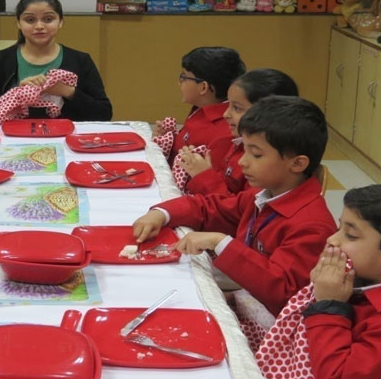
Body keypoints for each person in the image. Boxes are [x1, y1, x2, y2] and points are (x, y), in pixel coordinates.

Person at [133, 96, 336, 317]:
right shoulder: (265, 195)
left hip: (273, 325)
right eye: (245, 150)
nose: (242, 161)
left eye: (256, 154)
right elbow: (211, 206)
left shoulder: (310, 225)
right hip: (247, 300)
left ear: (297, 163)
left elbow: (281, 290)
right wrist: (161, 214)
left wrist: (219, 242)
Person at [255, 183, 381, 379]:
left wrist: (328, 304)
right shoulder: (358, 276)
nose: (332, 239)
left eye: (351, 235)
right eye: (340, 228)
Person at [0, 0, 112, 122]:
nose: (39, 26)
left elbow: (104, 113)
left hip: (65, 141)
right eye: (30, 20)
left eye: (48, 19)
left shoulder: (80, 60)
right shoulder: (0, 60)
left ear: (61, 22)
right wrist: (14, 96)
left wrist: (67, 92)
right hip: (12, 140)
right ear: (18, 23)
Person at [178, 69, 299, 195]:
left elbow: (239, 210)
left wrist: (203, 176)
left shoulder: (271, 163)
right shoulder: (232, 142)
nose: (225, 114)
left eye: (237, 108)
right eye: (228, 105)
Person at [151, 46, 245, 165]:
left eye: (184, 77)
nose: (179, 82)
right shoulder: (200, 109)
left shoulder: (226, 131)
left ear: (203, 87)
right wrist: (168, 139)